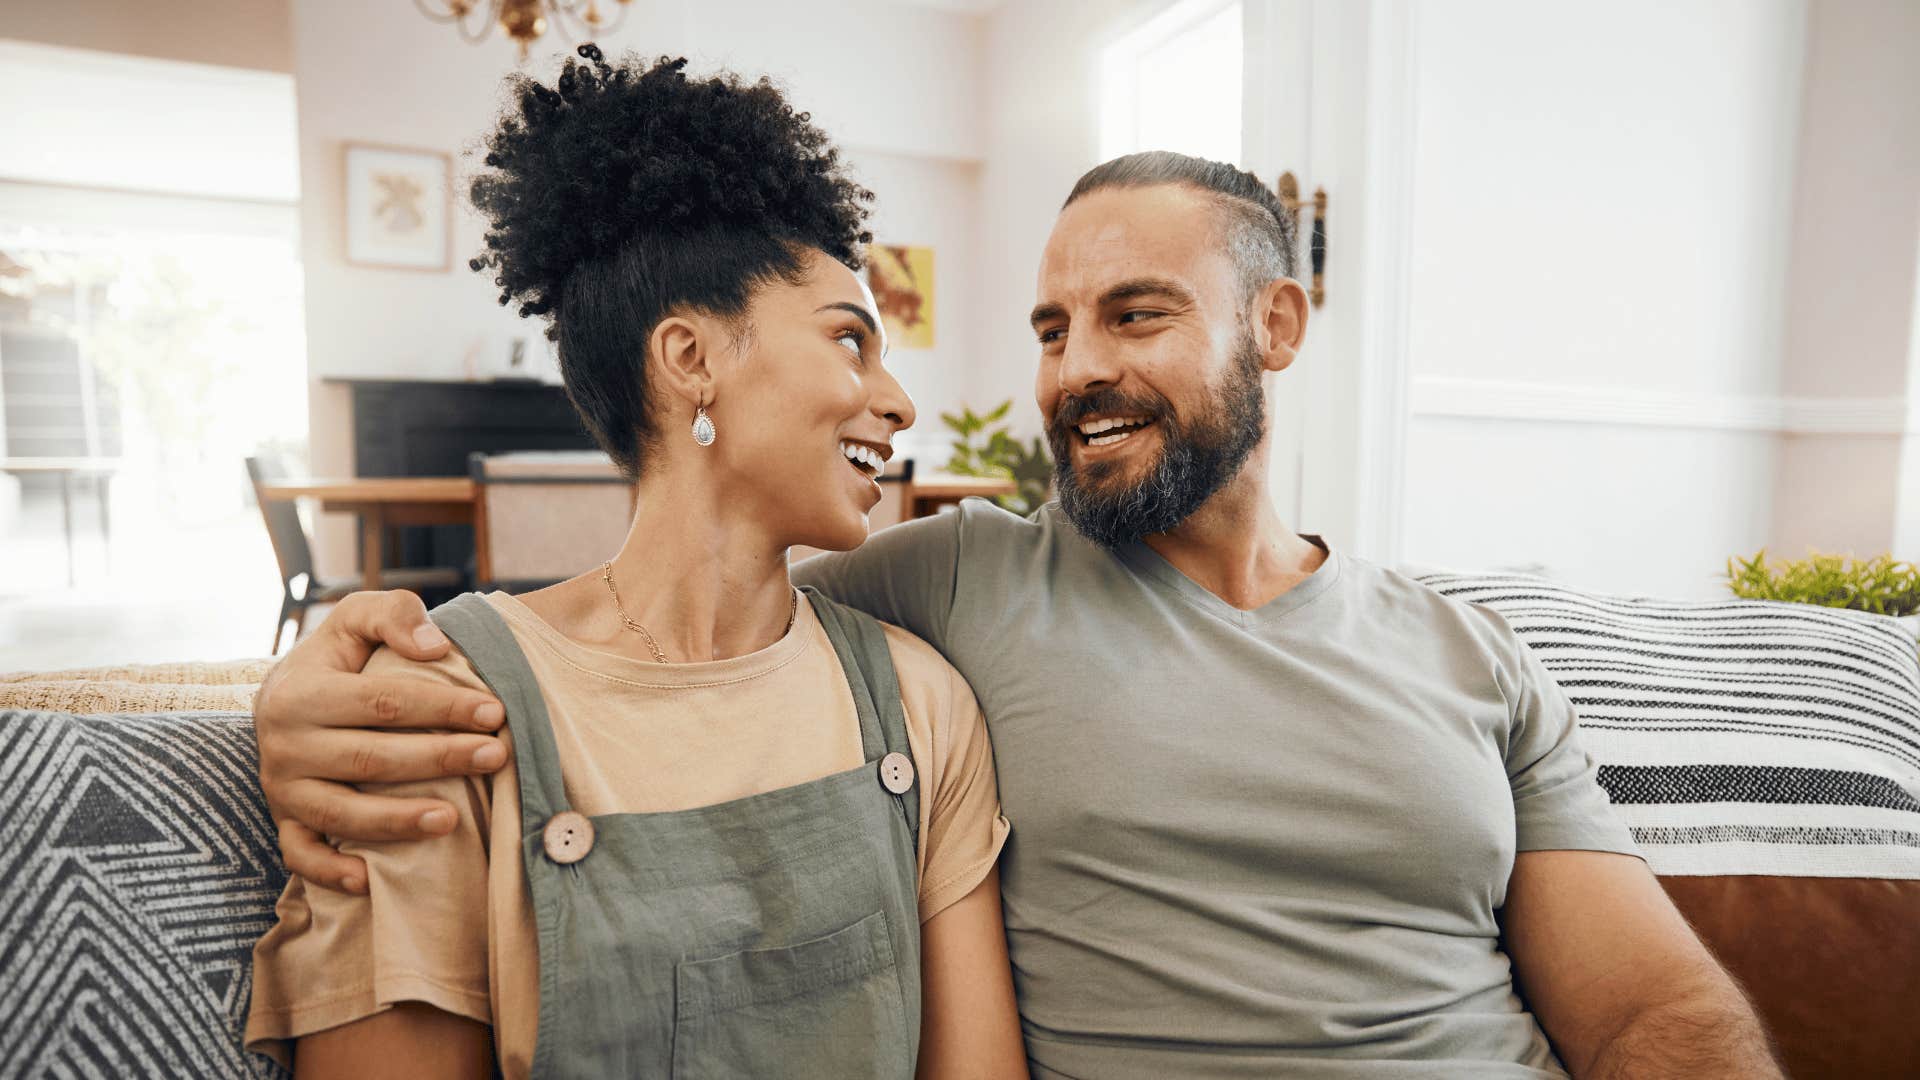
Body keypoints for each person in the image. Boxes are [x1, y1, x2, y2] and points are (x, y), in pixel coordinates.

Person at [252, 149, 1785, 1077]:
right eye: (1050, 327)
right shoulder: (956, 592)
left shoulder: (1470, 656)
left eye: (1134, 315)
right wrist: (314, 680)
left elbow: (1650, 1003)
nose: (1068, 372)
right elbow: (662, 635)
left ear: (1278, 325)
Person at [242, 46, 1026, 1080]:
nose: (899, 403)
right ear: (692, 360)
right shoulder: (439, 714)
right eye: (850, 339)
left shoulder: (922, 704)